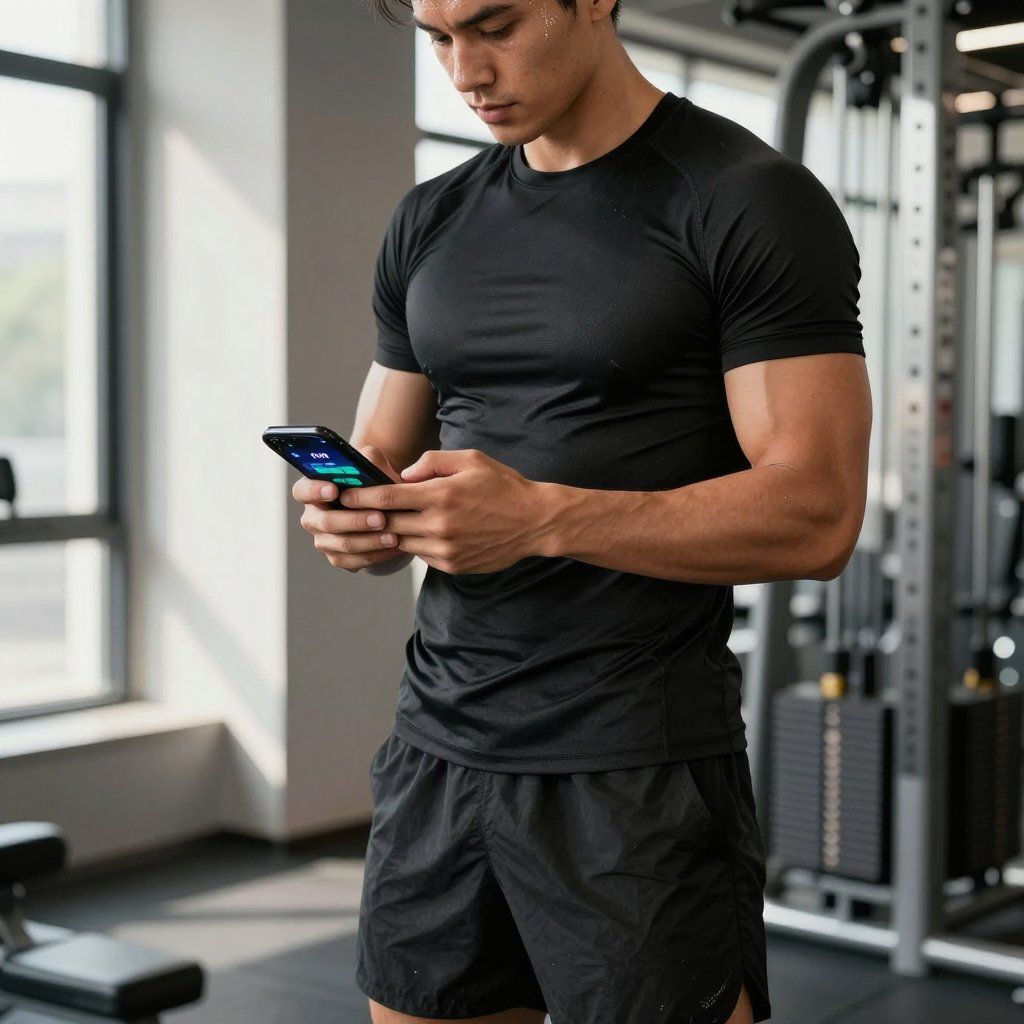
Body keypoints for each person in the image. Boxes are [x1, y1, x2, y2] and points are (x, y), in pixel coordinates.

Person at [291, 0, 872, 1018]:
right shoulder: (430, 218)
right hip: (439, 747)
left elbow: (816, 513)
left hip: (631, 766)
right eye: (436, 36)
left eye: (496, 24)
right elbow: (382, 450)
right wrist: (364, 519)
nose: (464, 69)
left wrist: (545, 517)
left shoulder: (746, 199)